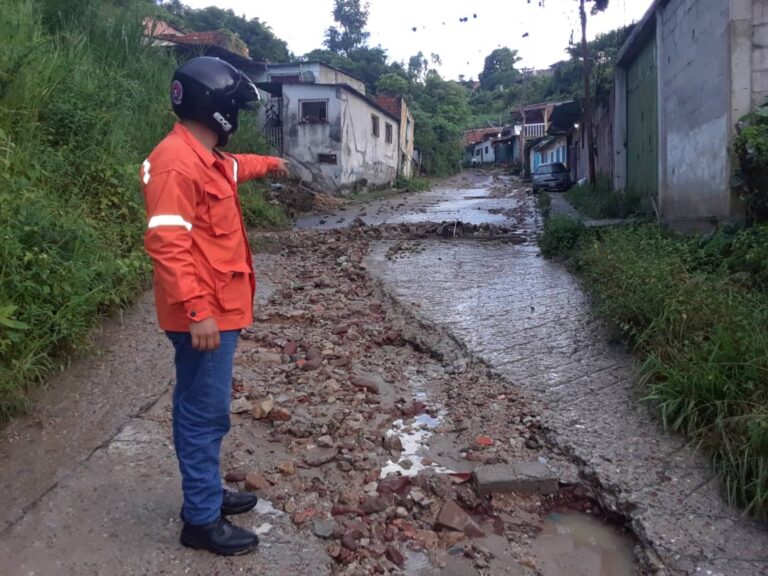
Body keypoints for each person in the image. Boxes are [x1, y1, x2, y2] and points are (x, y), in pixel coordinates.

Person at [140, 56, 289, 556]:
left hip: (216, 307)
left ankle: (205, 495)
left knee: (204, 409)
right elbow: (166, 242)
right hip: (203, 314)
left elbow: (235, 167)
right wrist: (197, 310)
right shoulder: (175, 161)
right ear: (217, 106)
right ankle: (201, 521)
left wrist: (272, 164)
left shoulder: (202, 155)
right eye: (233, 107)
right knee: (203, 414)